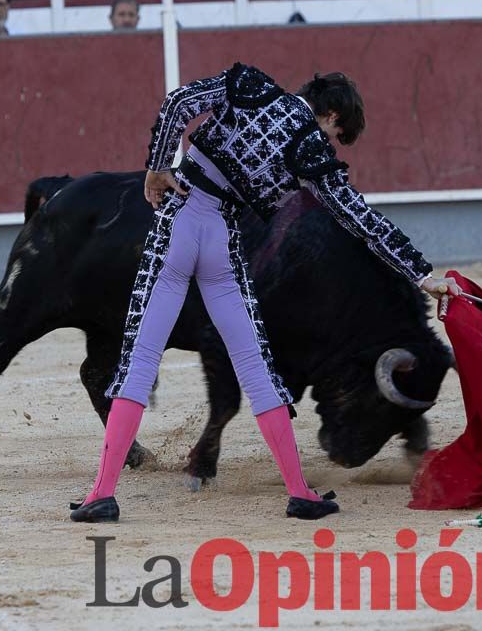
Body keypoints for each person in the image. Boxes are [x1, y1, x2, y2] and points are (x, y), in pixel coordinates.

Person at [69, 64, 459, 523]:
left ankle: (102, 494)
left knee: (140, 358)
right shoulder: (310, 149)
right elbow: (361, 218)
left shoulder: (250, 86)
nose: (330, 140)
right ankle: (300, 493)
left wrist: (157, 168)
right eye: (336, 131)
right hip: (221, 240)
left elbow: (176, 104)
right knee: (257, 367)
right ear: (330, 112)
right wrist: (422, 274)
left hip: (178, 220)